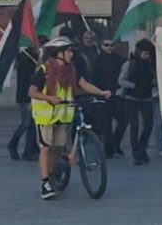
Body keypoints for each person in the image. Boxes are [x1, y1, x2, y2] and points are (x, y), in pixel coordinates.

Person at [29, 37, 110, 200]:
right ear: (59, 53)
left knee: (57, 147)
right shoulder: (44, 70)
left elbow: (84, 84)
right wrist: (49, 98)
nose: (72, 54)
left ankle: (52, 173)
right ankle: (45, 183)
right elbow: (31, 92)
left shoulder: (71, 70)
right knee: (46, 147)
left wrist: (101, 92)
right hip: (45, 116)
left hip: (63, 114)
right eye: (68, 51)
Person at [116, 39, 156, 165]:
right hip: (132, 98)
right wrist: (133, 86)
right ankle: (136, 153)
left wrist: (153, 84)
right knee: (135, 126)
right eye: (144, 53)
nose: (146, 55)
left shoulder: (152, 64)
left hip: (147, 97)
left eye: (148, 53)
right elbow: (121, 80)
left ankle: (142, 147)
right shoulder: (129, 64)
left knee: (149, 125)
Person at [91, 37, 126, 157]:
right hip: (101, 95)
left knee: (123, 120)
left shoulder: (120, 60)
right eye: (106, 45)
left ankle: (115, 144)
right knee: (106, 125)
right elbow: (93, 79)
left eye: (111, 45)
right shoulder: (96, 61)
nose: (109, 47)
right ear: (101, 46)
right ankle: (109, 149)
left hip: (116, 95)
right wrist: (98, 93)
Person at [7, 45, 41, 162]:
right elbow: (30, 78)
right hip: (25, 96)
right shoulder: (26, 58)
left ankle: (31, 149)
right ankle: (15, 144)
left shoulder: (36, 58)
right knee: (27, 123)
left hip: (33, 95)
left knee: (32, 124)